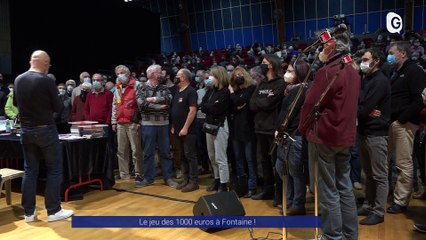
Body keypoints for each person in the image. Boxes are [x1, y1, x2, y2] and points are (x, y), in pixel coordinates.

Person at [299, 27, 360, 239]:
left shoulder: (328, 71)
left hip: (325, 136)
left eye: (323, 45)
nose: (321, 49)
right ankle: (350, 234)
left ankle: (332, 236)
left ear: (331, 46)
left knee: (328, 191)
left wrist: (302, 128)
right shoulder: (352, 70)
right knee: (344, 187)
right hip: (344, 136)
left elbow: (309, 104)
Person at [13, 50, 73, 222]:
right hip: (45, 130)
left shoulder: (18, 79)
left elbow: (16, 103)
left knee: (30, 171)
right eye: (48, 63)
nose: (48, 66)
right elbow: (58, 107)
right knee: (54, 170)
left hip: (26, 130)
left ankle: (29, 213)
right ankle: (53, 211)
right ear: (45, 63)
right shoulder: (46, 81)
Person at [386, 41, 426, 214]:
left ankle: (401, 201)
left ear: (402, 54)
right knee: (389, 162)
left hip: (404, 123)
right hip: (393, 123)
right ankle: (390, 194)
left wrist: (402, 119)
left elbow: (420, 100)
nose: (389, 54)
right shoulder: (396, 71)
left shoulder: (415, 71)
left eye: (392, 52)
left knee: (403, 163)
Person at [356, 47, 391, 225]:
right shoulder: (366, 79)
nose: (362, 62)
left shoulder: (380, 81)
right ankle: (369, 204)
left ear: (376, 60)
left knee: (379, 175)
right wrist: (363, 109)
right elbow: (360, 106)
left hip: (376, 133)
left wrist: (363, 109)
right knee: (368, 173)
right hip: (364, 131)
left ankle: (379, 211)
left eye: (365, 59)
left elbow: (363, 108)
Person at [275, 59, 310, 215]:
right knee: (281, 167)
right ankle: (289, 199)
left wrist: (282, 129)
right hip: (285, 135)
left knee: (295, 171)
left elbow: (291, 113)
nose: (286, 74)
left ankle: (298, 203)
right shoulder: (290, 89)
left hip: (294, 135)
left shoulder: (301, 89)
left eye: (290, 71)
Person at [249, 54, 286, 201]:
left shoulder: (280, 83)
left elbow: (269, 104)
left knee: (276, 162)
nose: (262, 65)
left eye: (264, 63)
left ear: (271, 65)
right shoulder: (261, 84)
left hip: (273, 129)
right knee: (263, 162)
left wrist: (261, 101)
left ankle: (279, 193)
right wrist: (263, 100)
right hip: (259, 128)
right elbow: (252, 104)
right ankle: (267, 190)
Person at [136, 64, 178, 188]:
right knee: (148, 153)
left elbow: (169, 99)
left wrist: (152, 99)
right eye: (160, 72)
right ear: (153, 74)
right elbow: (141, 104)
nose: (162, 74)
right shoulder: (142, 87)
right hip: (148, 124)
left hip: (163, 124)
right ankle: (148, 178)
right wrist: (159, 106)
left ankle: (168, 177)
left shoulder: (164, 87)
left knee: (165, 152)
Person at [111, 65, 143, 186]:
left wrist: (139, 121)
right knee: (121, 150)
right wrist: (113, 121)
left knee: (136, 149)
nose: (120, 75)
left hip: (133, 122)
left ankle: (139, 173)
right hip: (120, 122)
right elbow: (115, 105)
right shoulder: (117, 87)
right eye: (118, 73)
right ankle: (124, 173)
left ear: (128, 74)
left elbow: (141, 105)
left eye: (122, 72)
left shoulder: (137, 85)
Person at [201, 66, 231, 192]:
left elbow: (217, 109)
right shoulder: (210, 90)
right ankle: (217, 179)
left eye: (211, 75)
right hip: (209, 126)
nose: (209, 78)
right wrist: (210, 106)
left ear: (218, 76)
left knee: (220, 157)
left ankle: (224, 183)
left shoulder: (225, 92)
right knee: (212, 156)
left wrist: (210, 107)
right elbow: (203, 106)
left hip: (220, 127)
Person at [228, 66, 257, 198]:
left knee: (250, 160)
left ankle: (252, 186)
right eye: (235, 76)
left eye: (240, 74)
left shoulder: (251, 88)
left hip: (248, 129)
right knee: (238, 159)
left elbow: (239, 102)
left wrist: (235, 98)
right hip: (236, 130)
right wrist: (237, 102)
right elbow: (234, 107)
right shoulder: (236, 91)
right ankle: (242, 186)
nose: (237, 77)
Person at [171, 68, 199, 192]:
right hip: (177, 129)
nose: (175, 77)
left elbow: (192, 111)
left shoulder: (191, 91)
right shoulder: (178, 91)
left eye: (178, 75)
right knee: (182, 155)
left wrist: (185, 128)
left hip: (188, 130)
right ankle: (186, 179)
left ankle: (194, 181)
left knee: (190, 156)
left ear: (183, 77)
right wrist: (173, 126)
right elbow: (175, 110)